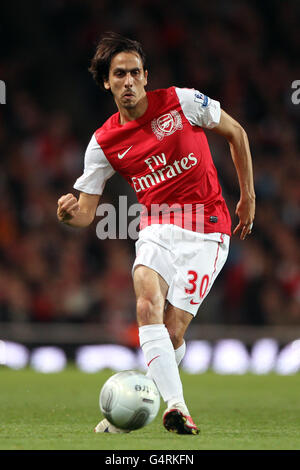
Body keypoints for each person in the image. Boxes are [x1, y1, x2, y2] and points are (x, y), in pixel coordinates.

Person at [57, 32, 255, 435]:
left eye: (134, 73)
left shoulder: (182, 102)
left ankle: (136, 407)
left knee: (173, 332)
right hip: (157, 226)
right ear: (106, 83)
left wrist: (248, 196)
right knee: (147, 302)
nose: (127, 81)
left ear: (146, 76)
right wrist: (70, 215)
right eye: (118, 75)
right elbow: (86, 214)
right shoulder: (103, 143)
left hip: (208, 229)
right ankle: (176, 407)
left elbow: (237, 133)